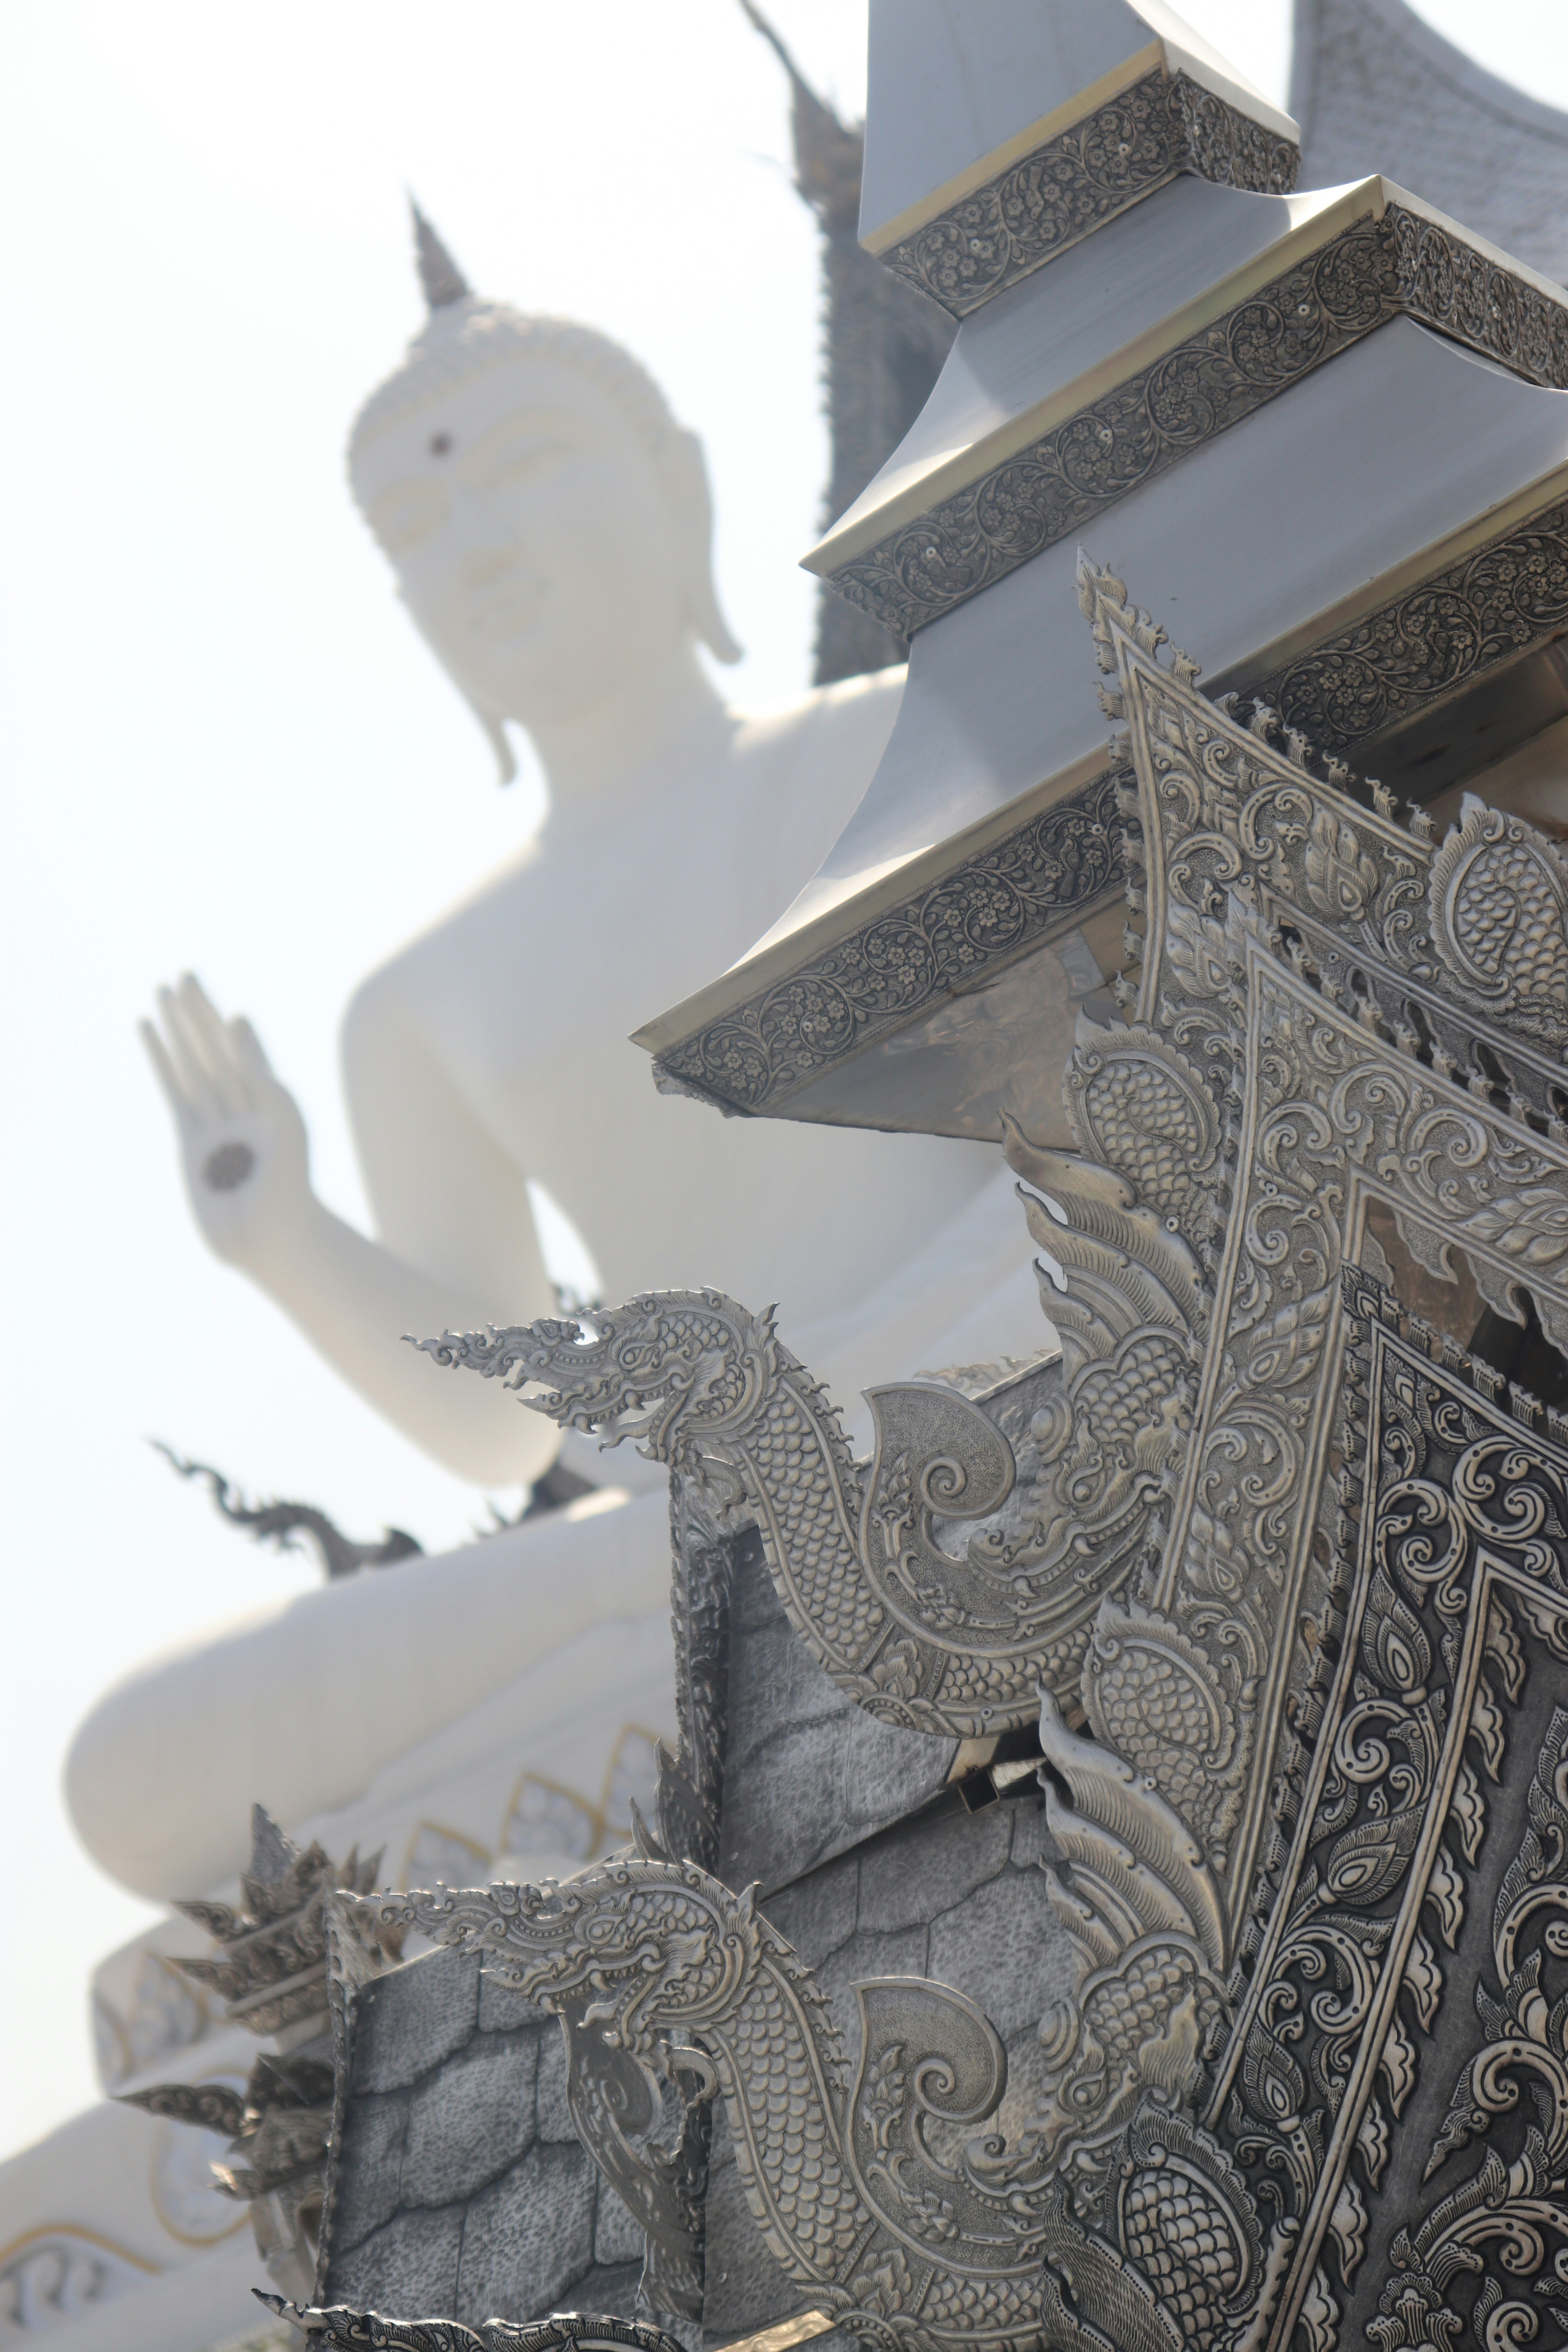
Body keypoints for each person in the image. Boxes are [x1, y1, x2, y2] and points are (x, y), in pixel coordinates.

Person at [71, 215, 1050, 1905]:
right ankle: (701, 1578)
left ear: (675, 489)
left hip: (982, 1349)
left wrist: (893, 1364)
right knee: (132, 1771)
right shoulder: (419, 999)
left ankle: (737, 1568)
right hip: (694, 1493)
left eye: (522, 468)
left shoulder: (900, 734)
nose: (480, 547)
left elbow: (1095, 1111)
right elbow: (487, 1428)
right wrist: (289, 1244)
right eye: (419, 527)